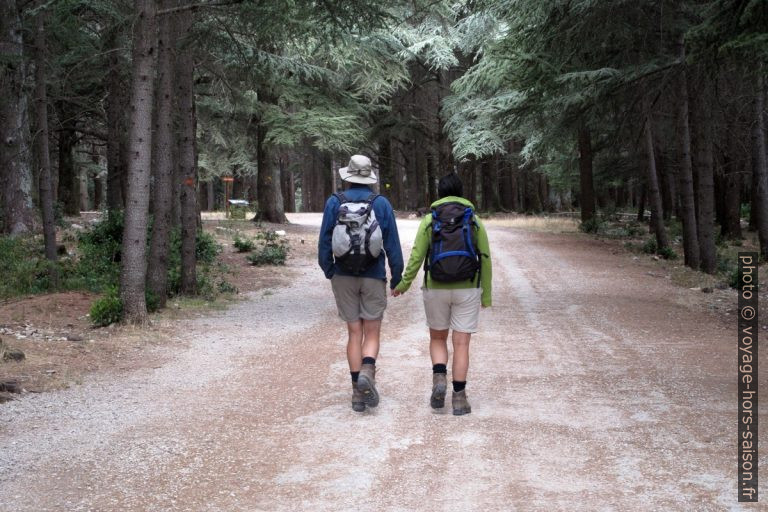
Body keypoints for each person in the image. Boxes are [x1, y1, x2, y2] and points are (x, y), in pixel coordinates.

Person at [392, 173, 492, 415]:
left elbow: (417, 256)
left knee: (437, 338)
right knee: (461, 344)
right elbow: (486, 259)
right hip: (467, 287)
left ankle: (439, 377)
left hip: (436, 287)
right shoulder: (474, 220)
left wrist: (403, 284)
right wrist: (486, 295)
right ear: (461, 192)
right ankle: (459, 397)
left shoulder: (430, 220)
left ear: (439, 193)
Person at [318, 154, 404, 412]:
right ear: (369, 178)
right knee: (372, 332)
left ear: (348, 176)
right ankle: (368, 370)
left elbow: (324, 241)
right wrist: (397, 276)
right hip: (373, 273)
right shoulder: (381, 203)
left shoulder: (335, 202)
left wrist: (330, 270)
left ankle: (357, 392)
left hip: (343, 275)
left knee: (354, 333)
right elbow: (392, 244)